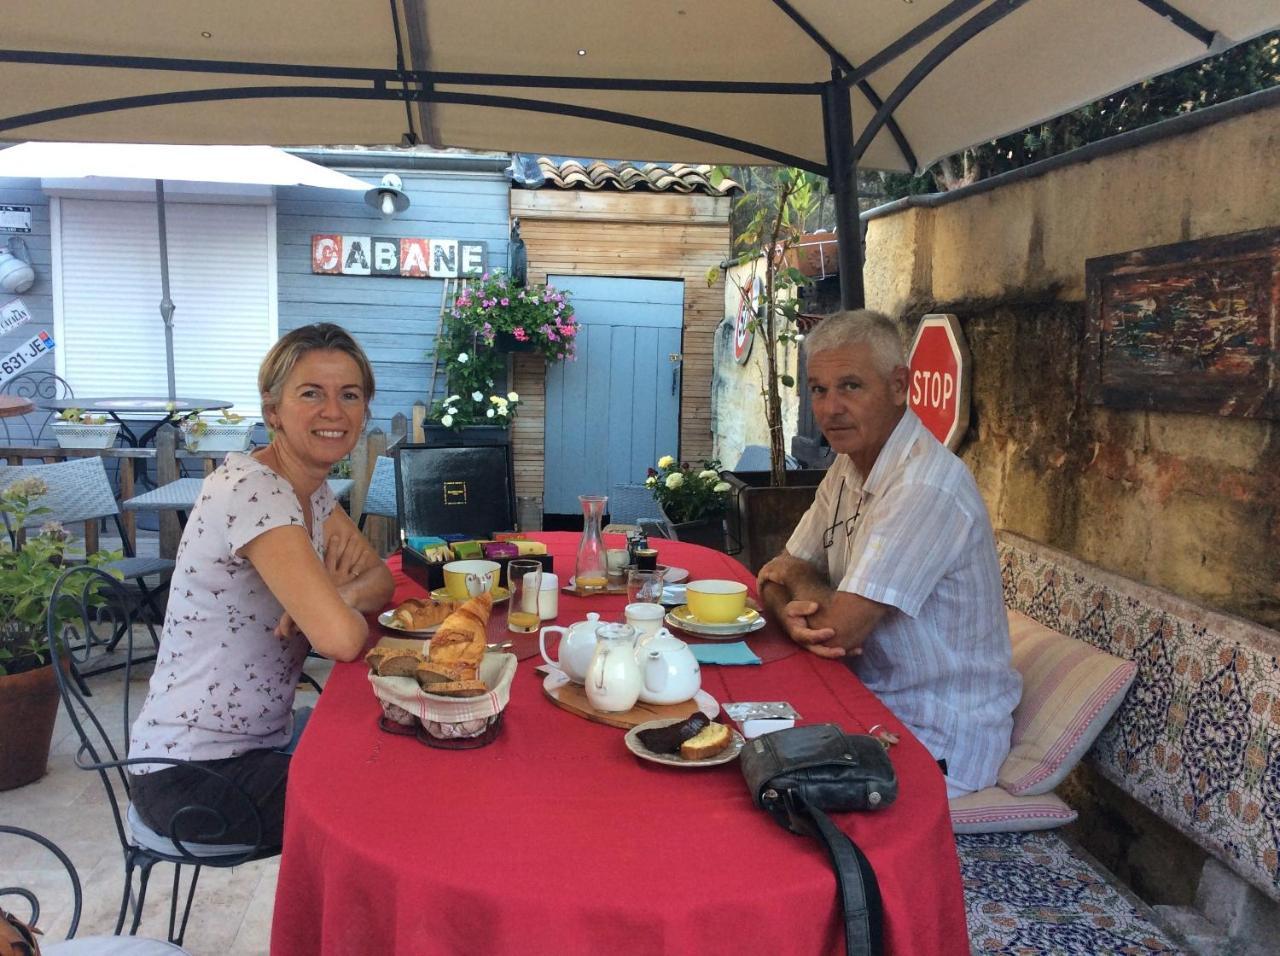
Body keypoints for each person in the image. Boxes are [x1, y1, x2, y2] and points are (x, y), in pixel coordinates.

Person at [127, 323, 395, 845]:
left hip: (258, 742)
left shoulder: (310, 490)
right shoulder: (256, 490)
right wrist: (332, 613)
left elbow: (380, 578)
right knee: (393, 793)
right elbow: (341, 640)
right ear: (272, 410)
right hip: (193, 777)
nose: (333, 412)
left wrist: (336, 597)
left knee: (398, 744)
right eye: (311, 393)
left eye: (350, 395)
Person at [757, 309, 1020, 797]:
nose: (830, 408)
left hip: (935, 737)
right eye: (818, 389)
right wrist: (795, 609)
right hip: (867, 699)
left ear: (900, 386)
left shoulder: (923, 486)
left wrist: (801, 590)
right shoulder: (849, 465)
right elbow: (775, 574)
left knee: (763, 791)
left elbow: (836, 629)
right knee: (735, 734)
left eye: (850, 386)